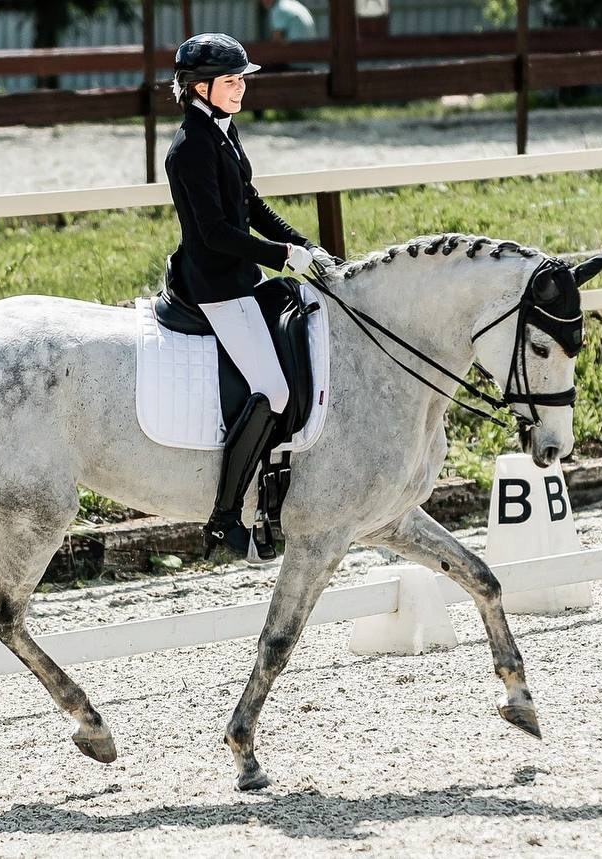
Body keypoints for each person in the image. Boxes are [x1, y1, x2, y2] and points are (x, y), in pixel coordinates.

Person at [164, 33, 337, 562]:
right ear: (201, 87)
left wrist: (305, 244)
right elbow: (214, 232)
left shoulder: (222, 130)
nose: (241, 88)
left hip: (239, 274)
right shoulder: (191, 146)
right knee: (274, 391)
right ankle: (222, 518)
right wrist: (282, 256)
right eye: (232, 80)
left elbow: (251, 203)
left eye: (242, 79)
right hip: (214, 284)